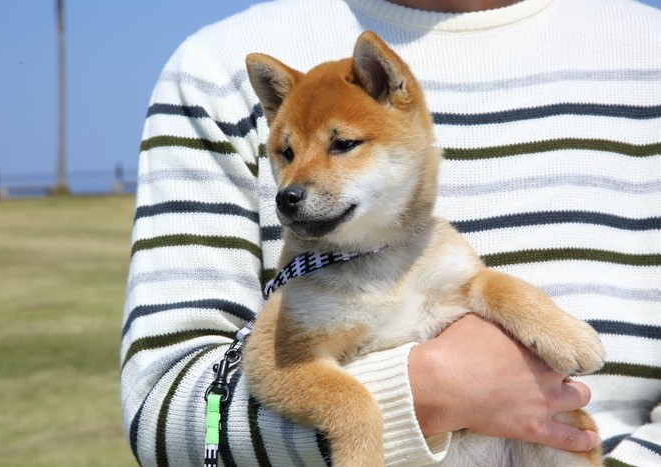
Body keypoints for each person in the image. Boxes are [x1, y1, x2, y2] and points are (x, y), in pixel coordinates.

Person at [120, 0, 661, 465]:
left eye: (342, 146)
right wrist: (416, 396)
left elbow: (479, 286)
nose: (293, 182)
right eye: (285, 155)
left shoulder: (646, 52)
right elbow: (174, 417)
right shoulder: (211, 73)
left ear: (389, 86)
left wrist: (527, 311)